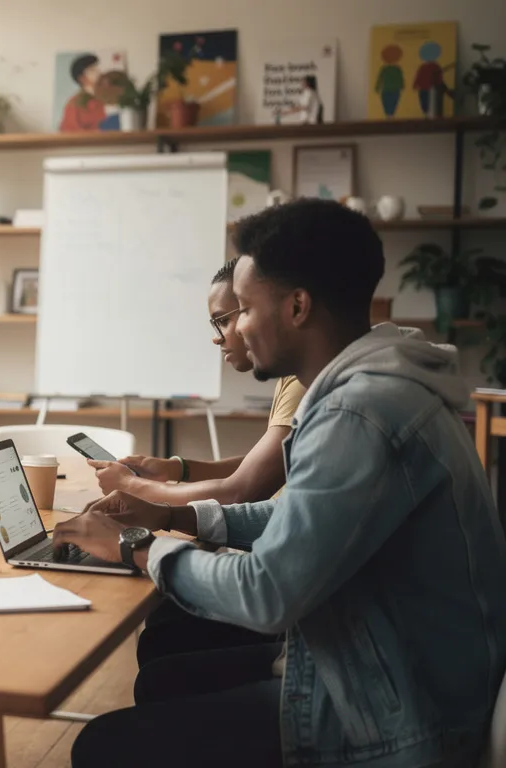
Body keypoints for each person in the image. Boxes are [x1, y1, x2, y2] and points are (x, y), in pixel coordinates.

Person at [56, 199, 506, 767]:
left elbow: (267, 595)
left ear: (297, 307)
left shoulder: (359, 413)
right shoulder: (375, 386)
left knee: (102, 747)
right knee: (165, 675)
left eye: (243, 309)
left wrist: (138, 546)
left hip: (401, 720)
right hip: (387, 676)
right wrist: (171, 517)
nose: (236, 328)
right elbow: (302, 521)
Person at [89, 257, 304, 666]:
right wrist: (177, 470)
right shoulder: (296, 379)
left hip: (296, 619)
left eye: (230, 317)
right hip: (288, 593)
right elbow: (262, 466)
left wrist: (135, 490)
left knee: (165, 635)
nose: (228, 333)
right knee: (166, 628)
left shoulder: (312, 389)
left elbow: (242, 489)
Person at [59, 53, 109, 132]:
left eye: (97, 68)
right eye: (92, 70)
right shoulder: (74, 104)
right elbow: (68, 134)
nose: (99, 72)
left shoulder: (107, 98)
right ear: (82, 78)